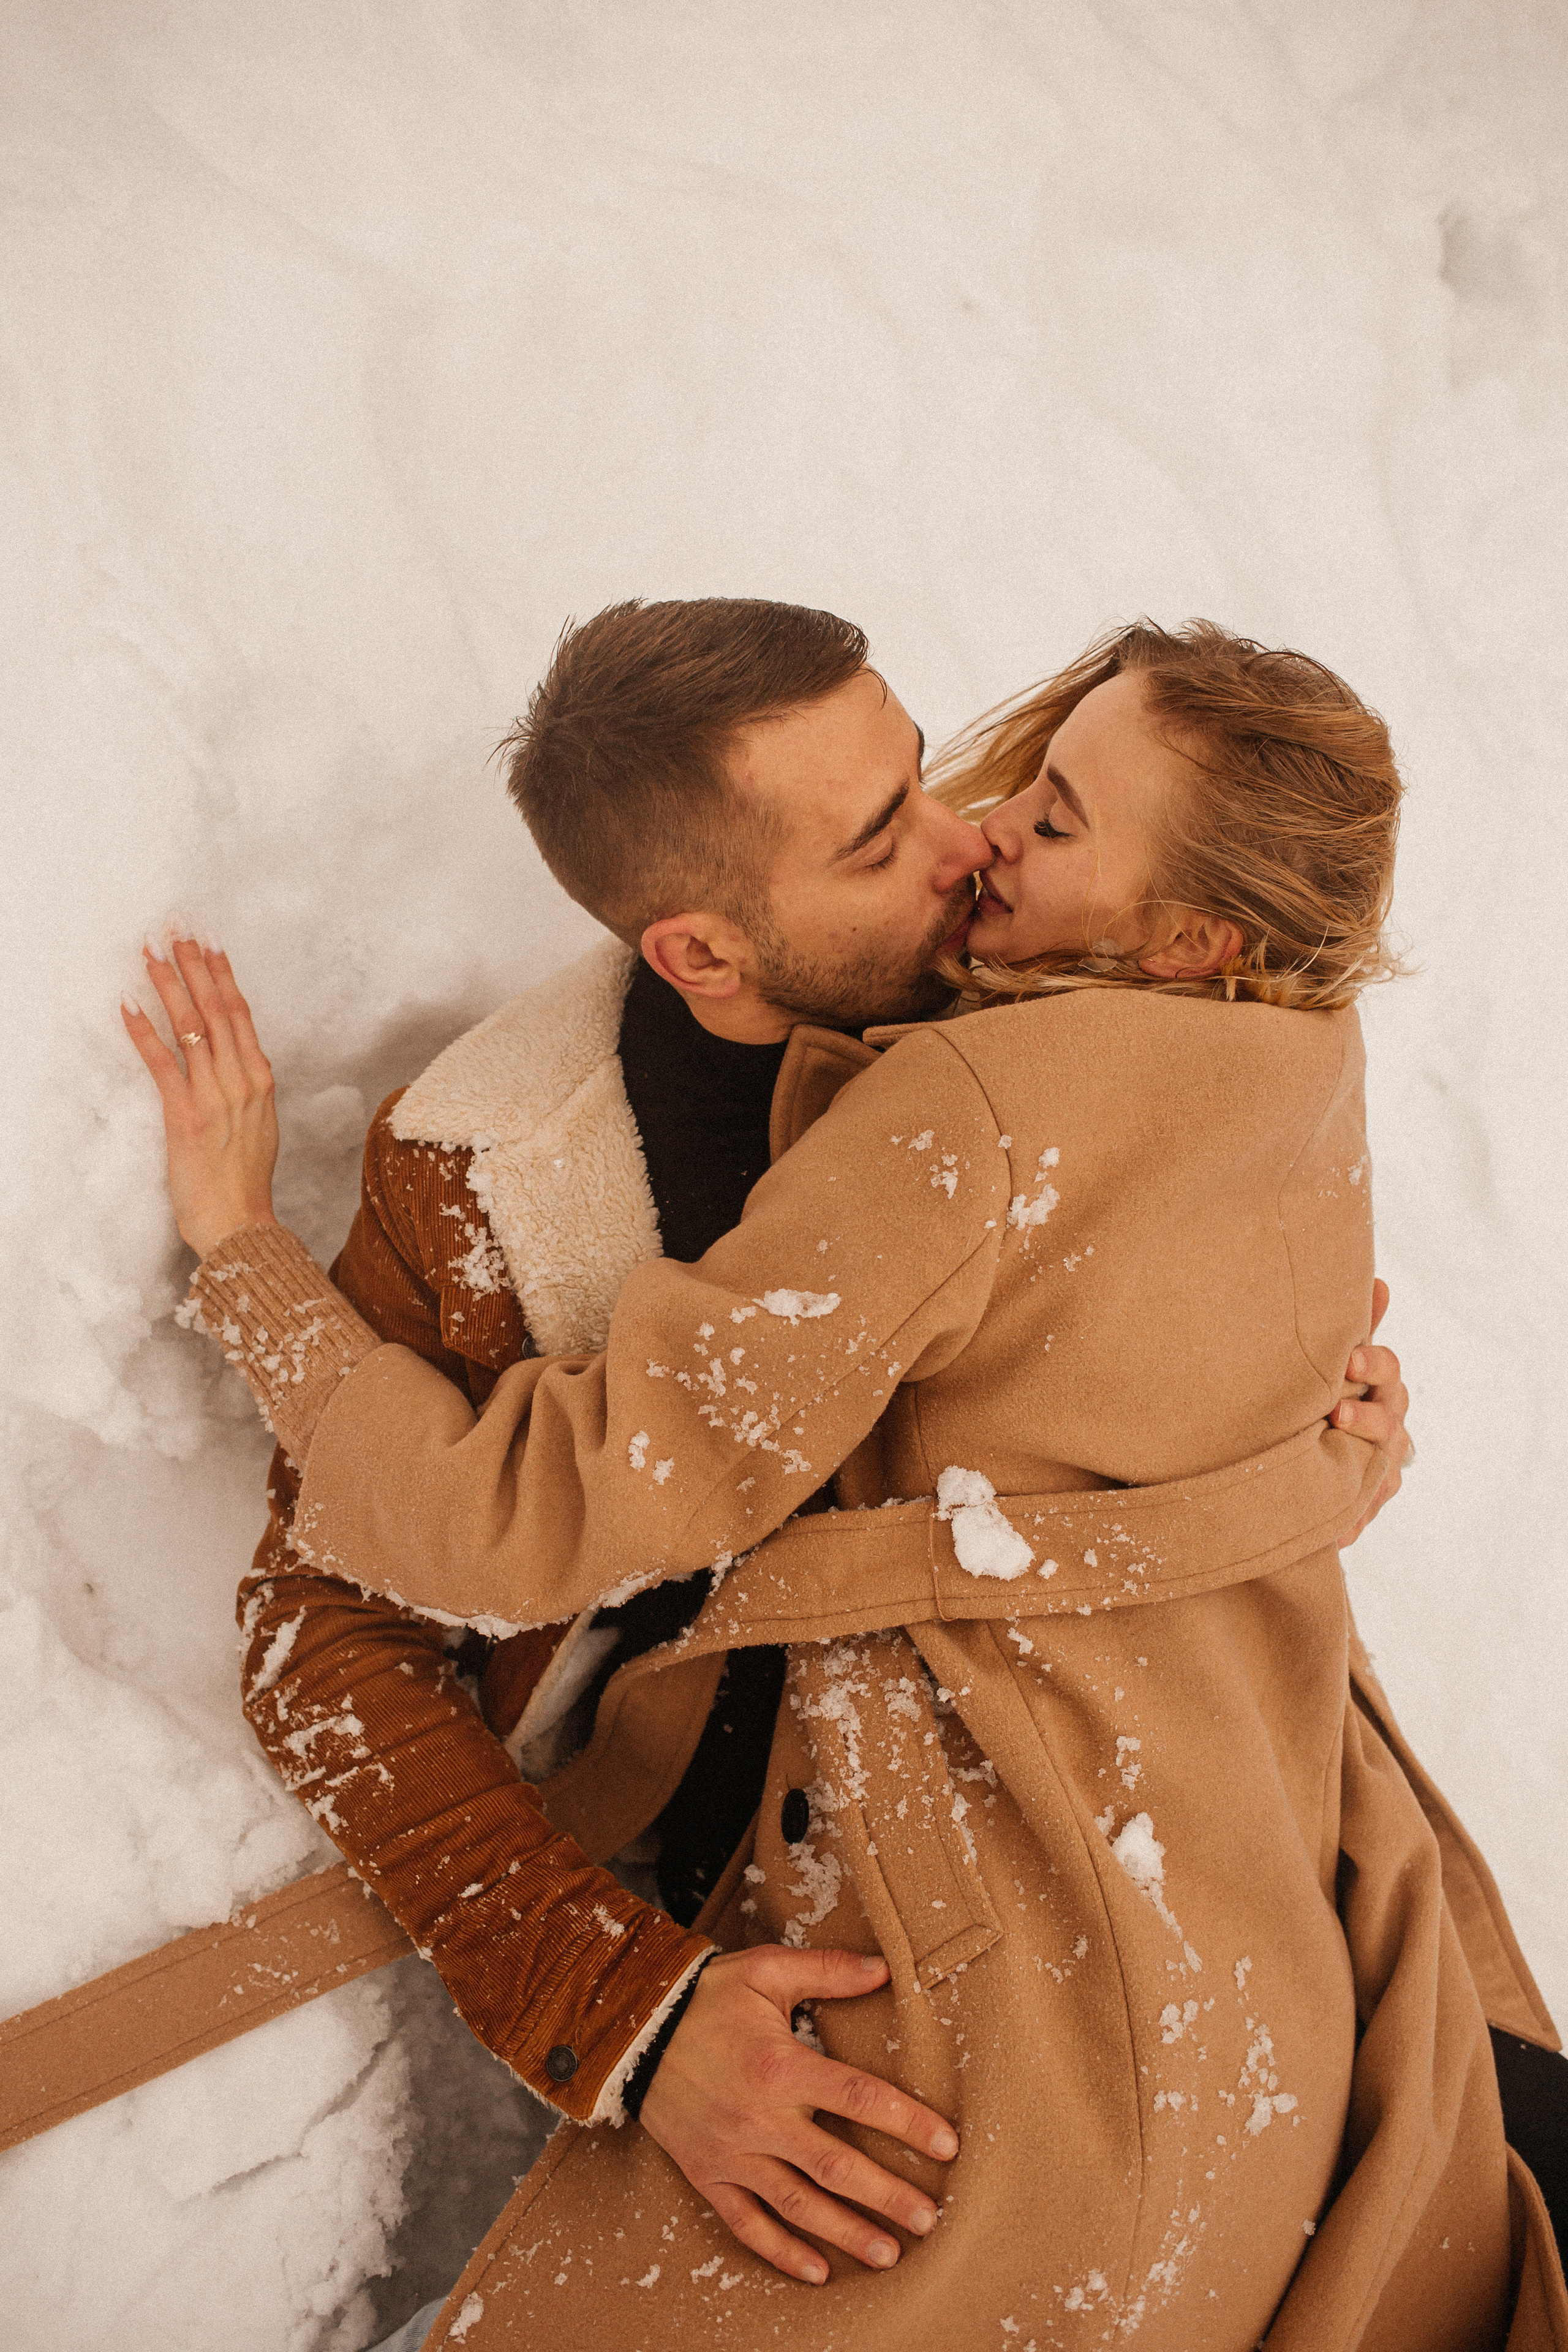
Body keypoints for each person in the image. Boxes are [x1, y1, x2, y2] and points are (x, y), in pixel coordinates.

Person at [127, 615, 1566, 2348]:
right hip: (879, 1965)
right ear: (705, 948)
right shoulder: (490, 1188)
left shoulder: (1046, 971)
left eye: (938, 773)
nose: (969, 839)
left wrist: (1294, 1456)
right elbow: (326, 1646)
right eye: (886, 833)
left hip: (1213, 1854)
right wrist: (625, 2011)